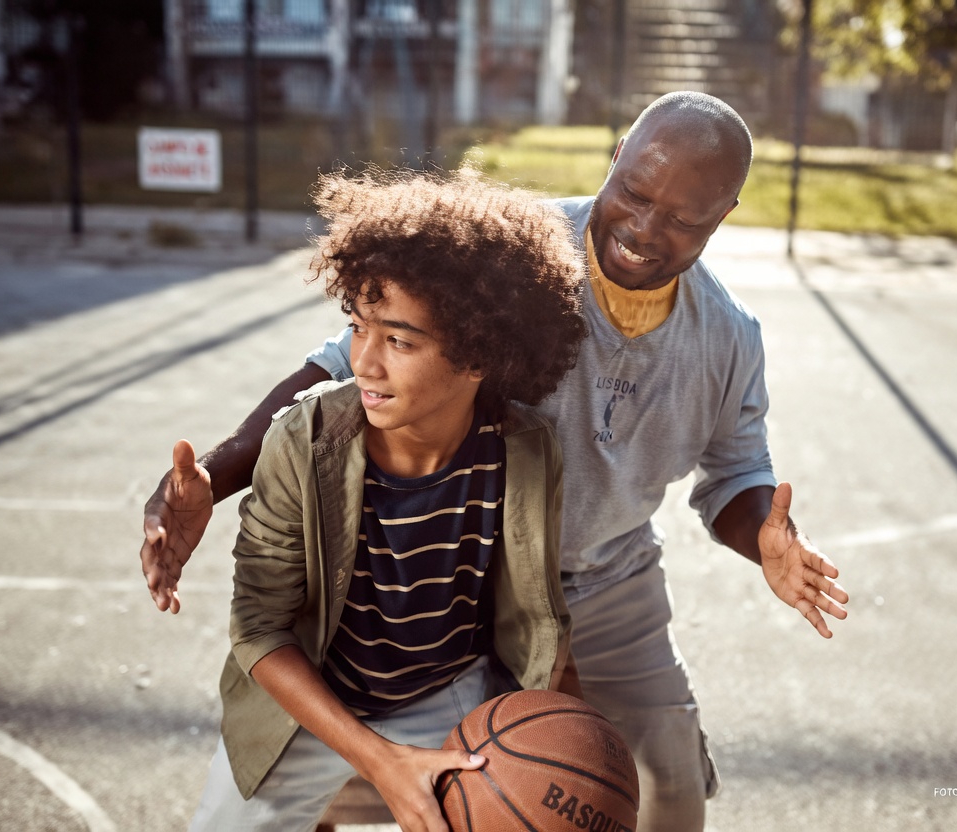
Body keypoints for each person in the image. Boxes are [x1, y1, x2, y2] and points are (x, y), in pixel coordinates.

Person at [143, 91, 849, 832]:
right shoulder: (515, 254)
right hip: (476, 572)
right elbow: (344, 376)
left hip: (610, 574)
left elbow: (736, 474)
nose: (644, 229)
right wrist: (210, 482)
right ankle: (328, 788)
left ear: (723, 214)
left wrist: (766, 538)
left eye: (682, 219)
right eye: (634, 194)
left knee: (662, 788)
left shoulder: (728, 338)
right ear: (615, 158)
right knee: (463, 772)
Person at [183, 169, 588, 832]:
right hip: (312, 694)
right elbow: (259, 630)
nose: (364, 363)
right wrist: (379, 760)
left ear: (480, 354)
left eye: (399, 340)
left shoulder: (526, 451)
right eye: (357, 327)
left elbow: (537, 613)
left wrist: (571, 737)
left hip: (448, 690)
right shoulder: (302, 440)